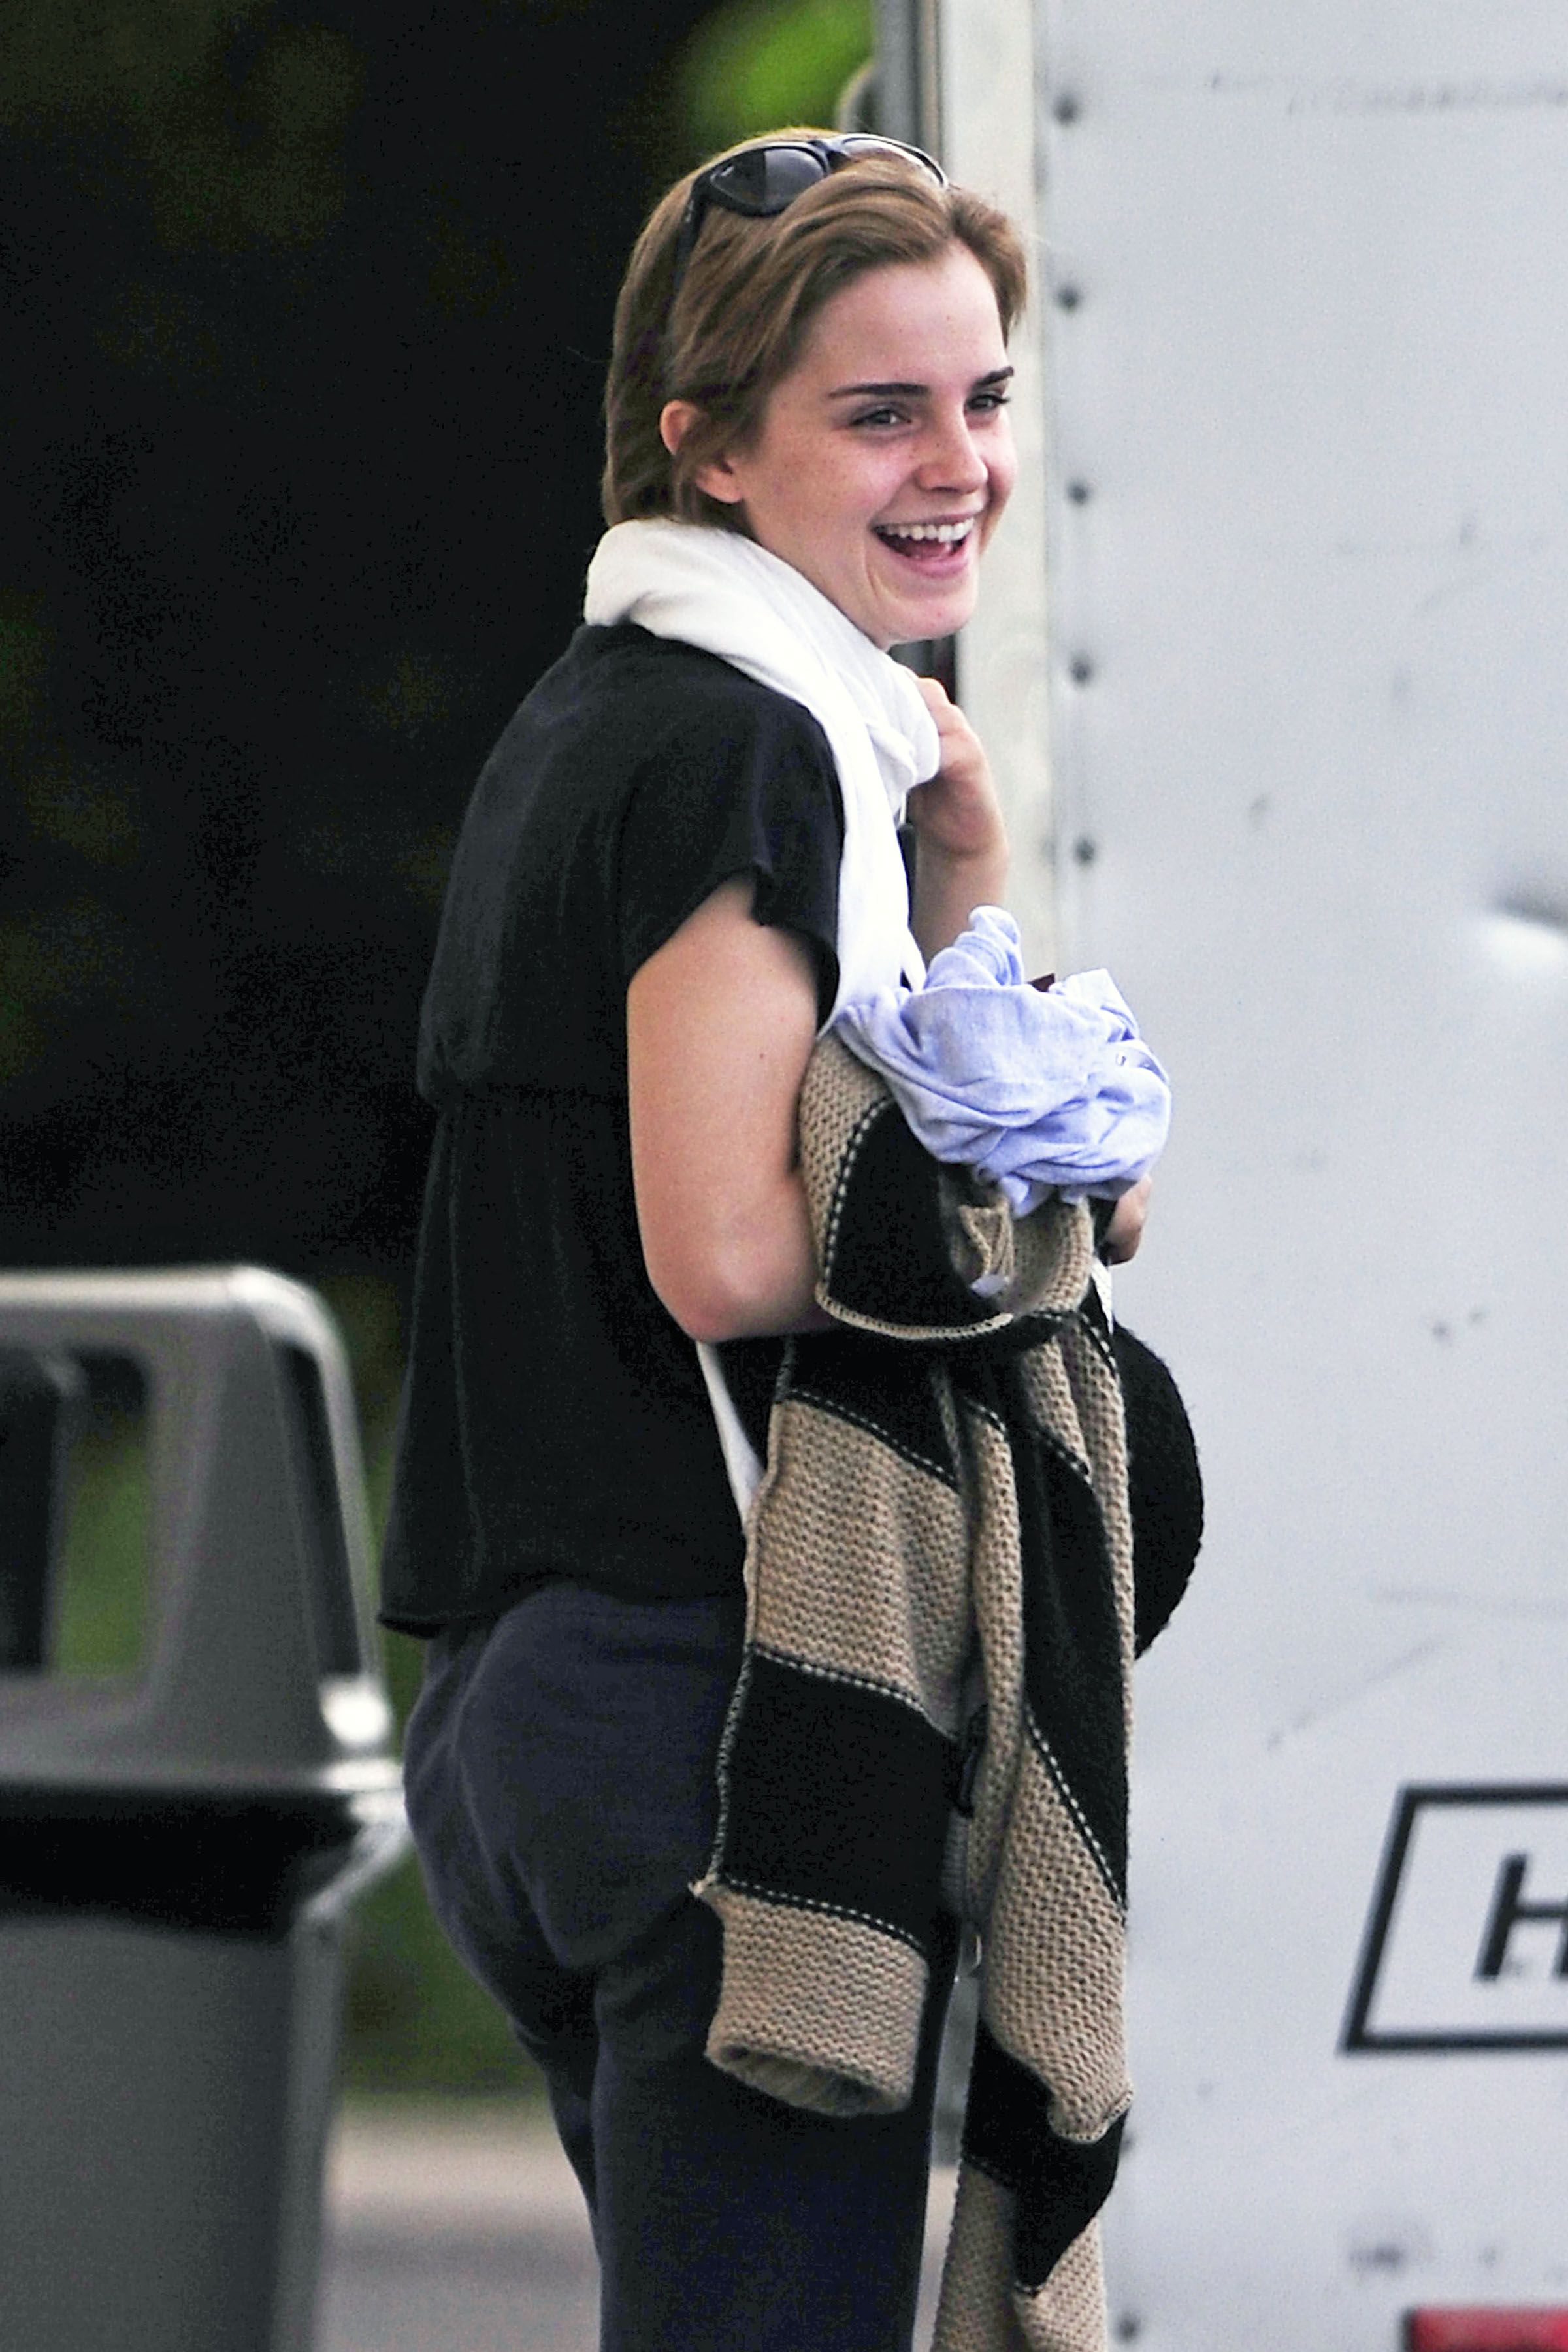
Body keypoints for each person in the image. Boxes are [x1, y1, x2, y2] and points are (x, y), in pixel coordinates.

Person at [380, 131, 1151, 2352]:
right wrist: (1042, 1216)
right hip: (707, 1710)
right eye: (881, 412)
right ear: (708, 446)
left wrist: (961, 860)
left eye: (983, 400)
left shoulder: (605, 715)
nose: (960, 466)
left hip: (546, 1706)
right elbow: (728, 1246)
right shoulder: (741, 750)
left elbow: (869, 1105)